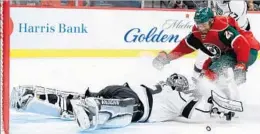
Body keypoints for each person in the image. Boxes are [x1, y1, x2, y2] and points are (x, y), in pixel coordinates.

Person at [10, 73, 243, 131]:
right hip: (133, 102)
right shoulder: (182, 99)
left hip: (120, 89)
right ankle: (94, 111)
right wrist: (220, 113)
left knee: (80, 100)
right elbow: (198, 113)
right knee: (122, 115)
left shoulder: (164, 85)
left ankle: (33, 96)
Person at [152, 7, 260, 100]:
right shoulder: (197, 32)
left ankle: (214, 94)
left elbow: (241, 43)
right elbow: (184, 47)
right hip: (228, 52)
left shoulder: (221, 28)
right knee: (207, 70)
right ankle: (225, 98)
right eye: (198, 25)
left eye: (204, 25)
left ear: (211, 21)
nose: (201, 28)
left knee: (215, 70)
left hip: (248, 50)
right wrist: (167, 58)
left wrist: (241, 64)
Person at [192, 1, 260, 80]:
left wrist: (241, 65)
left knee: (218, 66)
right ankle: (216, 85)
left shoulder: (237, 5)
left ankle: (215, 83)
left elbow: (241, 44)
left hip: (245, 46)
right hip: (233, 45)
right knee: (211, 64)